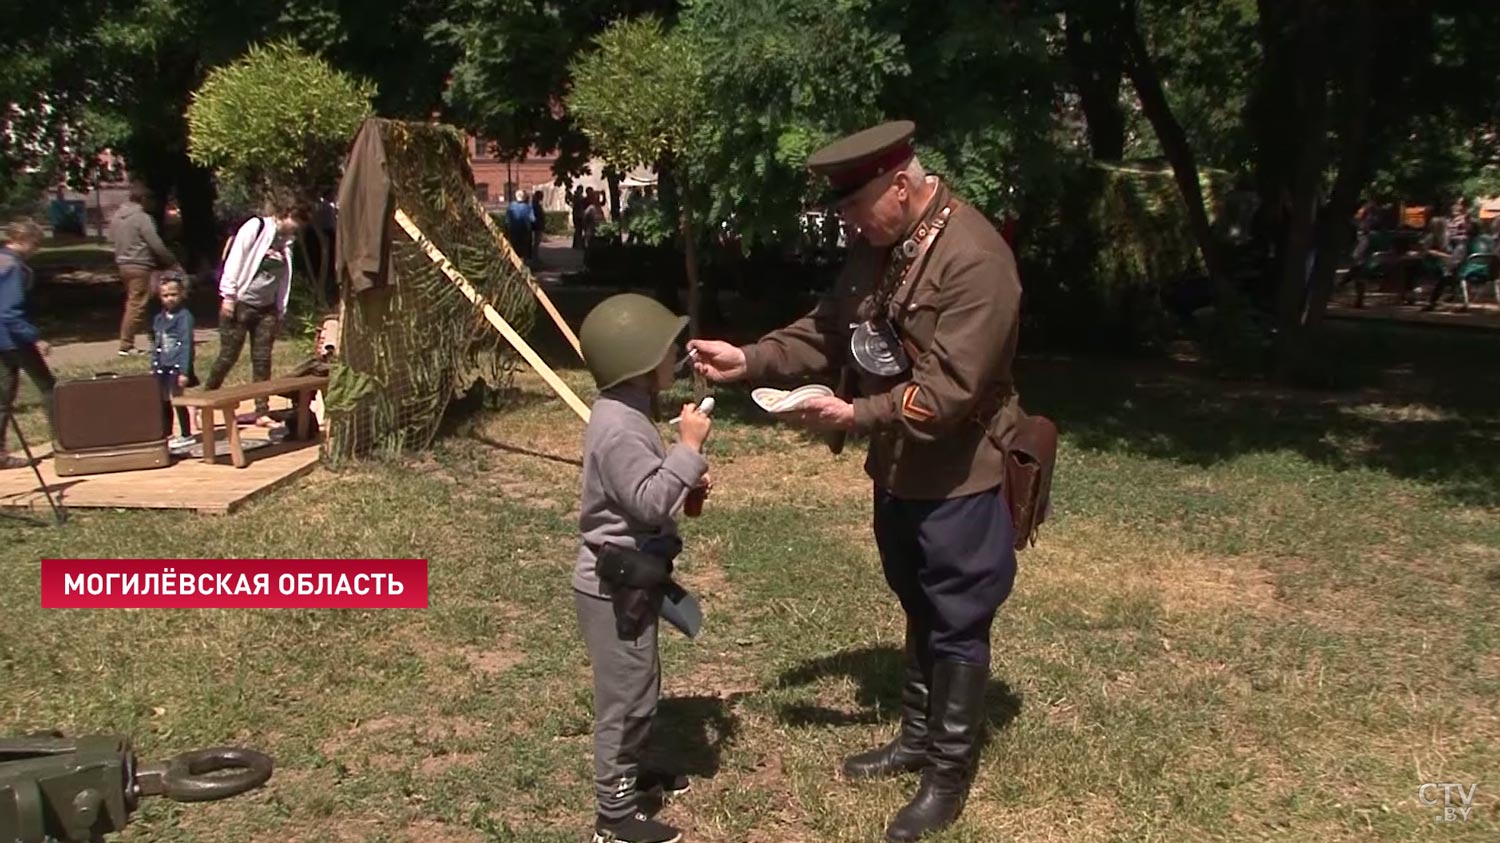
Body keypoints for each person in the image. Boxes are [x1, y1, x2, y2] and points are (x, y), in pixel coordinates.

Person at [690, 121, 1023, 843]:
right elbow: (829, 328)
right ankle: (915, 735)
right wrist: (747, 358)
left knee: (958, 614)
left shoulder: (975, 259)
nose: (846, 222)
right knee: (916, 596)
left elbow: (951, 392)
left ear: (900, 186)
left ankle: (947, 772)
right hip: (900, 471)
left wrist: (854, 410)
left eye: (855, 207)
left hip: (960, 471)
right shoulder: (878, 250)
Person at [575, 293, 713, 843]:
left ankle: (629, 778)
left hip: (630, 577)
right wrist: (687, 448)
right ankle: (613, 816)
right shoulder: (620, 427)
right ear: (638, 361)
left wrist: (687, 476)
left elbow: (648, 492)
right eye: (666, 348)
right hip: (615, 585)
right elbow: (650, 502)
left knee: (642, 684)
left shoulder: (625, 412)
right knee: (626, 698)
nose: (675, 354)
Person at [204, 201, 310, 426]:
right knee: (228, 356)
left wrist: (280, 310)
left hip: (267, 309)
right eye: (296, 221)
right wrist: (229, 296)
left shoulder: (287, 244)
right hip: (242, 303)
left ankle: (262, 411)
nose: (297, 227)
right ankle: (204, 400)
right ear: (287, 213)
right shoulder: (256, 227)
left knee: (262, 359)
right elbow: (235, 259)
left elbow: (284, 280)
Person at [0, 219, 55, 468]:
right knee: (48, 388)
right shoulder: (13, 267)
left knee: (4, 394)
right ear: (24, 241)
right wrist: (35, 338)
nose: (37, 249)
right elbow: (10, 311)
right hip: (14, 338)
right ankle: (64, 439)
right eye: (35, 243)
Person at [109, 179, 182, 356]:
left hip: (123, 264)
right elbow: (155, 243)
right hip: (141, 265)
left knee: (141, 302)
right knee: (137, 304)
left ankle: (155, 338)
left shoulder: (117, 217)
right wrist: (171, 261)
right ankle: (126, 345)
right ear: (143, 199)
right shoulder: (142, 218)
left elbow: (112, 240)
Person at [151, 273, 197, 450]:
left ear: (181, 294)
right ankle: (167, 432)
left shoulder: (184, 317)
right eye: (165, 295)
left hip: (177, 365)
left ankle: (186, 434)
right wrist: (154, 364)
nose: (169, 299)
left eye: (173, 294)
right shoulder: (159, 318)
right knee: (163, 399)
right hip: (162, 365)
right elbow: (156, 343)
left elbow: (186, 344)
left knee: (178, 398)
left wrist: (185, 371)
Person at [506, 190, 535, 260]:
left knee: (514, 247)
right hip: (525, 230)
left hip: (513, 230)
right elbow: (532, 219)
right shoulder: (528, 207)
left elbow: (507, 220)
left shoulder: (511, 205)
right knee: (526, 248)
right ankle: (526, 262)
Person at [531, 190, 547, 261]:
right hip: (537, 226)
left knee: (536, 242)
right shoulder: (535, 205)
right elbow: (537, 216)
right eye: (541, 196)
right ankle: (534, 257)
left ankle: (535, 256)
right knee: (536, 242)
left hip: (537, 225)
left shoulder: (536, 204)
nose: (542, 198)